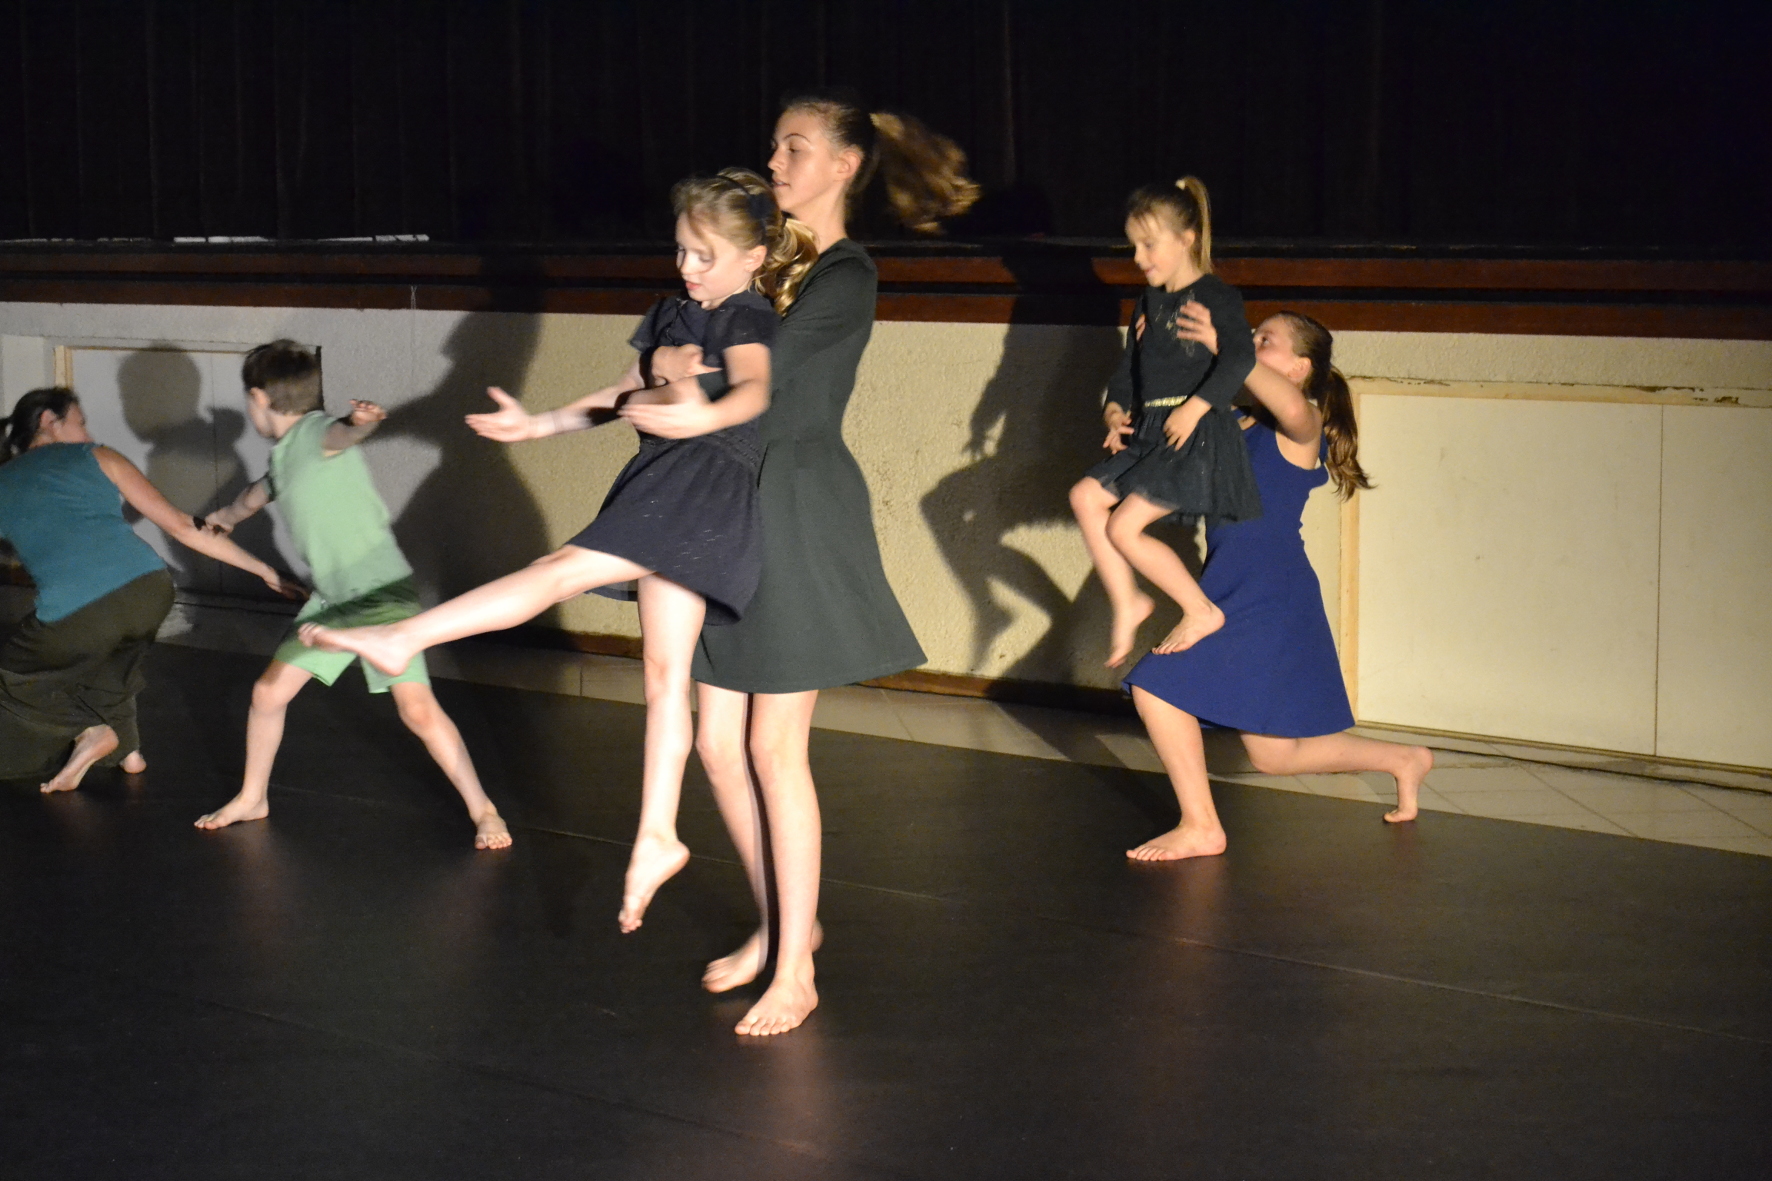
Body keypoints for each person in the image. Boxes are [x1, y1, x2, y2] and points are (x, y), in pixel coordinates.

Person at [301, 171, 817, 920]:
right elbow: (615, 395)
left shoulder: (746, 315)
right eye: (680, 250)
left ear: (754, 257)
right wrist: (538, 425)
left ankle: (404, 636)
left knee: (557, 570)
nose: (687, 267)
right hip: (665, 482)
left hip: (704, 492)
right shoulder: (671, 313)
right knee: (663, 676)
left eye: (704, 256)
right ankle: (659, 832)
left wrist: (702, 416)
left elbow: (754, 392)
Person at [638, 91, 978, 1036]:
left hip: (793, 505)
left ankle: (796, 971)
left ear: (844, 165)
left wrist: (683, 367)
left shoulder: (846, 273)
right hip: (726, 498)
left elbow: (751, 373)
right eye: (775, 146)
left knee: (772, 747)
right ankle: (787, 922)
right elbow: (683, 336)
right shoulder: (764, 255)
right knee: (715, 743)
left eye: (795, 148)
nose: (776, 162)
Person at [1121, 310, 1434, 861]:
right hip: (1232, 588)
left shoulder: (1298, 428)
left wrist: (1223, 343)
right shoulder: (1230, 426)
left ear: (1298, 368)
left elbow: (1288, 406)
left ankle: (1201, 827)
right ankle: (1403, 759)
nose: (1249, 344)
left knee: (1155, 685)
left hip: (1271, 592)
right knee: (1274, 756)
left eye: (1264, 340)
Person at [191, 342, 512, 850]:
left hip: (381, 596)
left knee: (417, 710)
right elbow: (251, 498)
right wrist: (221, 520)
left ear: (258, 398)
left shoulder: (316, 431)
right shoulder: (283, 459)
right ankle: (253, 797)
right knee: (267, 694)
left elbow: (342, 434)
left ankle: (484, 808)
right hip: (333, 600)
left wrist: (361, 424)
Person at [0, 387, 296, 792]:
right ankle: (130, 754)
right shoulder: (98, 456)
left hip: (79, 608)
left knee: (14, 675)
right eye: (80, 423)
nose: (87, 433)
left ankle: (91, 731)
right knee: (113, 667)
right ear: (49, 422)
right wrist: (263, 570)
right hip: (150, 588)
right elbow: (182, 526)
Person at [1069, 177, 1261, 668]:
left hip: (1196, 435)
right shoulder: (1148, 302)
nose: (1138, 258)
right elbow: (1128, 373)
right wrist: (1115, 410)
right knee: (1085, 497)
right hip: (1153, 430)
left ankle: (1200, 610)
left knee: (1125, 527)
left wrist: (1195, 408)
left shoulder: (1216, 295)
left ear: (1186, 239)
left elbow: (1240, 358)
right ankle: (1128, 601)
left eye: (1149, 245)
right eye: (1133, 246)